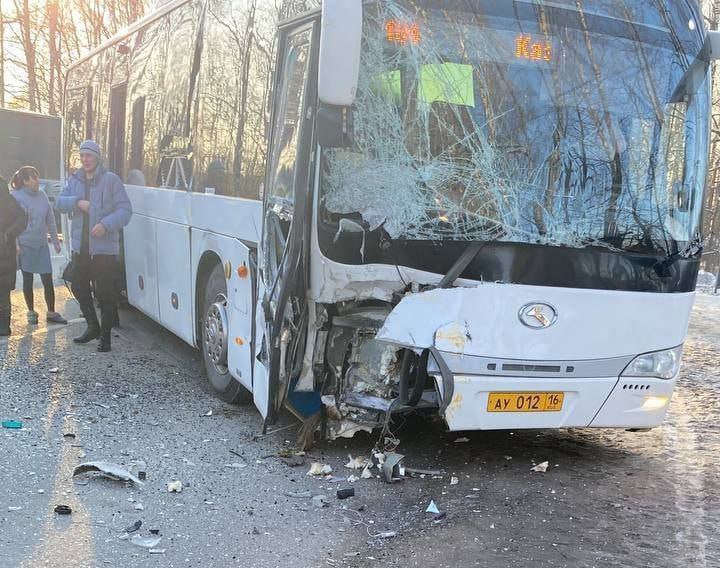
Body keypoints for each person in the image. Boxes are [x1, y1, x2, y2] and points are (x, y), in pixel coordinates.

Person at [56, 140, 132, 352]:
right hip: (81, 248)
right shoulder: (75, 180)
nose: (84, 159)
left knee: (105, 293)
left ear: (97, 157)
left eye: (88, 156)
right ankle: (93, 326)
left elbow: (126, 211)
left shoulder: (111, 180)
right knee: (78, 286)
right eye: (81, 156)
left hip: (104, 250)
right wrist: (77, 203)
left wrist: (105, 225)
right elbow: (58, 202)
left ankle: (105, 337)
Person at [11, 166, 68, 325]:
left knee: (47, 278)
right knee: (28, 279)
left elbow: (50, 219)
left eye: (37, 176)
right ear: (25, 181)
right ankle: (31, 311)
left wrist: (56, 241)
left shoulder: (42, 195)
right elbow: (11, 222)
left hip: (41, 243)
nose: (37, 180)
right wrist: (15, 244)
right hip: (24, 244)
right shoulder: (15, 196)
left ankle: (51, 312)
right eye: (33, 178)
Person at [0, 176, 28, 336]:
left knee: (3, 290)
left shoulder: (7, 199)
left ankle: (4, 325)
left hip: (4, 252)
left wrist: (8, 235)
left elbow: (23, 218)